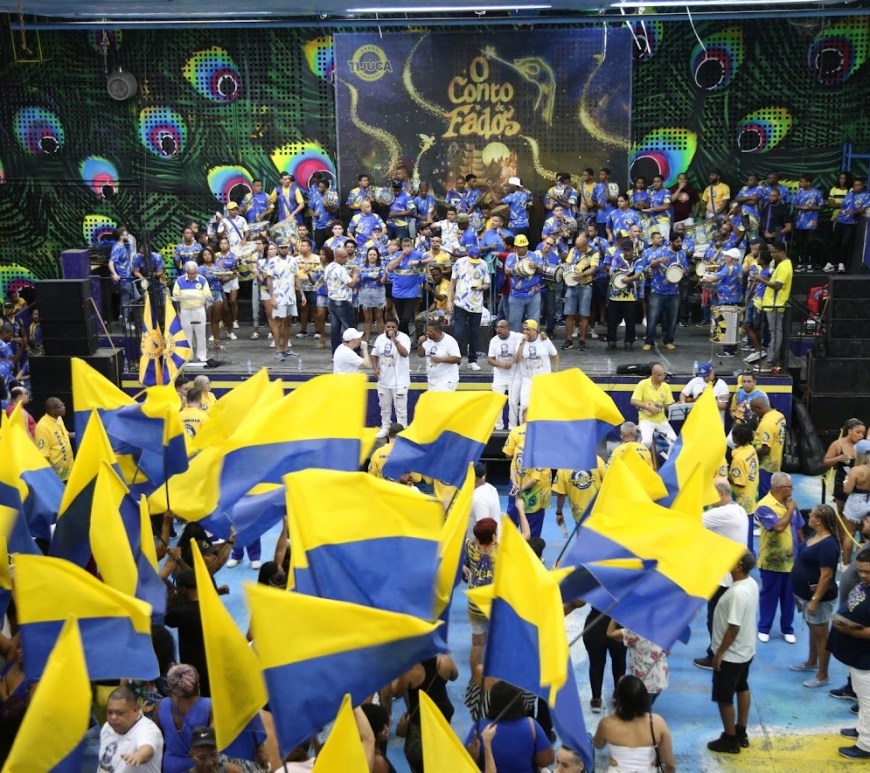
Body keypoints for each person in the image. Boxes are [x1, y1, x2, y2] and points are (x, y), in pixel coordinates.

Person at [695, 479, 753, 670]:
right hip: (734, 576)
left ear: (720, 494)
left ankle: (715, 655)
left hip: (723, 579)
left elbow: (691, 521)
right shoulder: (738, 510)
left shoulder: (722, 513)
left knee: (716, 618)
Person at [707, 551, 760, 754]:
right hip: (746, 650)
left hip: (731, 655)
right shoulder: (751, 583)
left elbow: (733, 627)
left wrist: (719, 654)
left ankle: (729, 740)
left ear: (738, 566)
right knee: (742, 686)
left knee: (724, 697)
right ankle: (741, 731)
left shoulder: (737, 593)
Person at [790, 503, 841, 688]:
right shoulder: (814, 535)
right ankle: (812, 662)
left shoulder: (828, 544)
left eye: (811, 515)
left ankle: (822, 675)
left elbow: (826, 576)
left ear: (819, 520)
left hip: (818, 598)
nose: (808, 518)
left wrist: (815, 600)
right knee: (813, 629)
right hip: (805, 594)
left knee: (821, 635)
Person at [828, 546, 870, 759]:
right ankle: (863, 730)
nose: (863, 575)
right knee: (862, 698)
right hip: (856, 655)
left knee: (868, 701)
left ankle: (866, 745)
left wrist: (850, 630)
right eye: (860, 570)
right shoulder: (866, 585)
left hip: (866, 658)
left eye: (868, 572)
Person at [755, 472, 804, 643]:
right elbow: (778, 527)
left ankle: (787, 629)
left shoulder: (791, 503)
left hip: (792, 562)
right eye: (789, 487)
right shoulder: (764, 506)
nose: (792, 489)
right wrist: (790, 510)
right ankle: (764, 628)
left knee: (789, 597)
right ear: (779, 488)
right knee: (769, 596)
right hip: (772, 562)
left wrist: (802, 550)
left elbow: (799, 528)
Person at [466, 680, 555, 772]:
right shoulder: (531, 725)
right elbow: (547, 760)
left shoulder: (480, 727)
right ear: (519, 701)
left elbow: (466, 758)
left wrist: (475, 756)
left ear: (492, 702)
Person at [593, 675, 675, 772]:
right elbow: (669, 764)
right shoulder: (657, 723)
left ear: (619, 699)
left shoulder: (607, 724)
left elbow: (598, 745)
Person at [154, 664, 213, 773]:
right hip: (200, 768)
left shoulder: (161, 706)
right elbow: (216, 742)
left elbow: (154, 741)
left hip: (169, 767)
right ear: (196, 682)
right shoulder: (209, 706)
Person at [99, 685, 164, 773]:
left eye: (119, 713)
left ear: (136, 710)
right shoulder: (107, 726)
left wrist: (139, 755)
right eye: (110, 712)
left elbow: (148, 749)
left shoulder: (148, 729)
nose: (113, 717)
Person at [642, 232, 687, 351]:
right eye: (677, 242)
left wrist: (682, 272)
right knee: (652, 317)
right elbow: (651, 264)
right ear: (671, 242)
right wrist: (659, 261)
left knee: (672, 319)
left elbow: (686, 269)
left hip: (674, 292)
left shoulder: (682, 254)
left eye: (681, 241)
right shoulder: (661, 251)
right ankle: (649, 341)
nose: (680, 244)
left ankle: (669, 340)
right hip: (658, 290)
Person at [464, 517, 499, 672]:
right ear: (493, 536)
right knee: (496, 642)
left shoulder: (471, 547)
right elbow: (526, 535)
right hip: (494, 606)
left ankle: (475, 678)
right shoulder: (500, 552)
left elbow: (459, 536)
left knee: (477, 643)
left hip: (474, 604)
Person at [607, 621, 669, 707]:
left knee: (640, 711)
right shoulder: (662, 630)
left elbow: (610, 633)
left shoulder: (633, 632)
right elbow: (667, 652)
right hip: (660, 679)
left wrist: (614, 617)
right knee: (646, 706)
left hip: (644, 682)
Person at [447, 250, 490, 371]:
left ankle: (472, 360)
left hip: (476, 305)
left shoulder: (483, 264)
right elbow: (452, 282)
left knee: (474, 334)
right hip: (460, 303)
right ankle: (456, 360)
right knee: (459, 333)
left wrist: (481, 287)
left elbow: (487, 283)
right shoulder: (460, 263)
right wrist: (449, 300)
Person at [755, 241, 792, 372]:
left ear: (780, 252)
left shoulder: (784, 266)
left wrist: (761, 279)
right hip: (772, 305)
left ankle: (770, 362)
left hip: (776, 305)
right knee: (774, 333)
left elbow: (777, 285)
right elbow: (774, 282)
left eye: (773, 252)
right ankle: (770, 360)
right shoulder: (782, 265)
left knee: (775, 334)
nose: (771, 255)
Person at [371, 317, 410, 438]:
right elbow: (374, 354)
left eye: (393, 327)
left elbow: (405, 353)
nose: (390, 329)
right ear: (385, 327)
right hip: (384, 380)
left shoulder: (404, 338)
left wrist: (395, 340)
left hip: (400, 380)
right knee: (384, 407)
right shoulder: (380, 338)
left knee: (400, 409)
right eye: (388, 327)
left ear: (397, 328)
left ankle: (402, 430)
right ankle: (385, 427)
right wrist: (375, 368)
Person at [823, 417, 867, 525]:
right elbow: (825, 463)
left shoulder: (864, 445)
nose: (861, 436)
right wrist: (838, 458)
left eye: (863, 433)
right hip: (842, 482)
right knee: (841, 513)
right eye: (858, 432)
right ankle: (842, 533)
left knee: (863, 517)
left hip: (860, 484)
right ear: (849, 431)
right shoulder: (837, 444)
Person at [561, 233, 599, 351]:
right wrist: (566, 268)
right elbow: (568, 262)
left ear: (585, 245)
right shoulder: (573, 250)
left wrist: (582, 274)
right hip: (572, 285)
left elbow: (593, 268)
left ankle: (582, 340)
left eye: (580, 247)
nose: (577, 249)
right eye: (576, 246)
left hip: (585, 285)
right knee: (569, 313)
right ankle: (568, 339)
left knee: (584, 314)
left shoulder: (594, 252)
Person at [605, 238, 643, 350]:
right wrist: (612, 272)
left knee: (630, 321)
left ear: (632, 250)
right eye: (625, 250)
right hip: (615, 296)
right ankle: (611, 340)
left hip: (630, 296)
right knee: (612, 320)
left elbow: (637, 275)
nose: (627, 252)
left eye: (629, 250)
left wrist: (628, 279)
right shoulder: (617, 258)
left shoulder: (638, 260)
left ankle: (629, 341)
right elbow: (611, 270)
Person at [172, 260, 212, 364]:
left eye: (194, 273)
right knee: (187, 334)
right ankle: (188, 356)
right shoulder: (180, 280)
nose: (193, 275)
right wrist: (182, 297)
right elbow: (175, 295)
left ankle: (202, 356)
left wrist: (201, 297)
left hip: (199, 309)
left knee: (201, 334)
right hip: (185, 310)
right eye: (191, 273)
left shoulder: (202, 280)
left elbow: (208, 295)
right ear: (186, 272)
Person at [514, 319, 558, 414]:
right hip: (527, 379)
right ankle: (523, 423)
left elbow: (555, 355)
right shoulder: (521, 341)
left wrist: (555, 371)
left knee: (545, 405)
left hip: (544, 378)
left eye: (528, 329)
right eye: (524, 329)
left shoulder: (544, 339)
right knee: (524, 405)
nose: (525, 332)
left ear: (535, 330)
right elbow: (517, 360)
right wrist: (522, 344)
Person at [487, 319, 523, 431]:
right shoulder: (494, 341)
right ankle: (498, 427)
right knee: (497, 402)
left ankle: (513, 427)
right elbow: (490, 359)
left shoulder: (516, 337)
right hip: (499, 375)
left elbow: (530, 334)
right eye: (497, 327)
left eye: (502, 327)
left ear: (508, 328)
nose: (499, 330)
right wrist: (501, 365)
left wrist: (542, 336)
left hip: (515, 375)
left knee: (513, 402)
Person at [629, 364, 676, 451]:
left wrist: (674, 406)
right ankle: (642, 457)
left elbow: (669, 404)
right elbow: (633, 401)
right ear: (653, 375)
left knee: (674, 442)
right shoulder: (643, 384)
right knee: (646, 442)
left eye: (663, 374)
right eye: (659, 375)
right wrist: (647, 406)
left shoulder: (666, 386)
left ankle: (670, 459)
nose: (663, 377)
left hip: (661, 420)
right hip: (646, 419)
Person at [828, 177, 869, 274]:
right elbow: (842, 207)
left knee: (845, 243)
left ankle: (842, 264)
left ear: (862, 186)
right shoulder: (850, 194)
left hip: (851, 223)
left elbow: (864, 209)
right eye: (855, 185)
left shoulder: (866, 195)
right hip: (840, 220)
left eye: (858, 185)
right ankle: (831, 263)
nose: (856, 187)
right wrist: (836, 219)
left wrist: (854, 212)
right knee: (834, 242)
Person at [504, 234, 544, 332]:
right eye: (519, 247)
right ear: (515, 247)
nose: (521, 249)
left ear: (527, 246)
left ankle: (532, 340)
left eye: (523, 247)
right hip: (516, 294)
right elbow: (507, 271)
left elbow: (542, 270)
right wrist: (519, 269)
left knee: (533, 322)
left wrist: (536, 267)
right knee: (514, 322)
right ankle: (515, 341)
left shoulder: (534, 255)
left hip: (533, 293)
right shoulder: (511, 257)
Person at [553, 455, 606, 528]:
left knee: (582, 534)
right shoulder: (596, 459)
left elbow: (561, 494)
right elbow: (608, 482)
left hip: (580, 515)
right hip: (599, 512)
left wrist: (559, 513)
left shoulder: (563, 466)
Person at [324, 247, 360, 353]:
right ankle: (355, 352)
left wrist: (350, 274)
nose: (346, 259)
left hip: (331, 300)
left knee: (335, 329)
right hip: (342, 301)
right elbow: (351, 284)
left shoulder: (328, 267)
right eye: (344, 257)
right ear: (338, 257)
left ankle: (336, 353)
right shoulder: (340, 269)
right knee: (350, 328)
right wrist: (355, 274)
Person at [729, 424, 760, 545]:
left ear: (735, 438)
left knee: (743, 534)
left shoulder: (739, 459)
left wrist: (727, 476)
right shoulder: (751, 449)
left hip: (742, 500)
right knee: (749, 531)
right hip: (752, 494)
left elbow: (739, 482)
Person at [751, 396, 786, 499]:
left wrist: (750, 452)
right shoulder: (779, 416)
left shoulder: (766, 424)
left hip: (765, 466)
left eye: (754, 411)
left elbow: (766, 449)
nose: (755, 414)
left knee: (765, 496)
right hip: (776, 462)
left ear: (759, 408)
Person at [34, 396, 74, 481]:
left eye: (63, 404)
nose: (64, 407)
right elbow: (44, 454)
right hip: (57, 476)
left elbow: (65, 434)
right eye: (61, 406)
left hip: (69, 470)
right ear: (53, 410)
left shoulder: (58, 418)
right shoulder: (42, 427)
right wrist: (52, 476)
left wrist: (78, 434)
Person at [416, 319, 460, 392]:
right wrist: (420, 343)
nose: (427, 333)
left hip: (446, 380)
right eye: (427, 331)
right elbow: (421, 354)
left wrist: (441, 359)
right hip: (432, 380)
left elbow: (457, 359)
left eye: (430, 331)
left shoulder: (449, 341)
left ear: (438, 331)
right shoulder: (428, 340)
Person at [843, 447, 870, 564]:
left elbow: (847, 490)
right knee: (868, 536)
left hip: (855, 504)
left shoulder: (856, 470)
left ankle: (845, 564)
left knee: (849, 535)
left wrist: (846, 480)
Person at [469, 462, 503, 537]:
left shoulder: (478, 499)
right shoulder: (491, 488)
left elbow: (484, 529)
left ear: (474, 478)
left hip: (481, 541)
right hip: (492, 538)